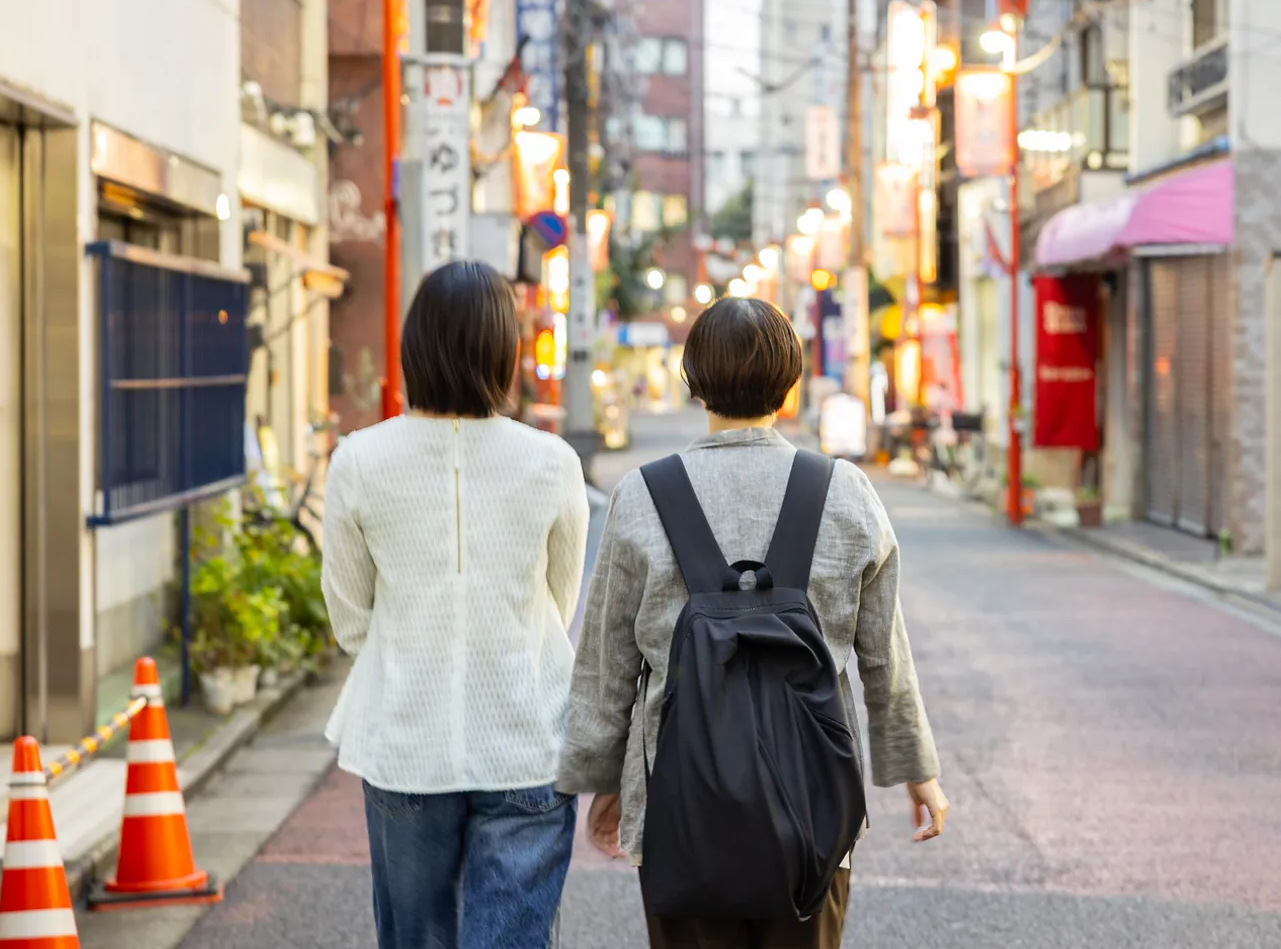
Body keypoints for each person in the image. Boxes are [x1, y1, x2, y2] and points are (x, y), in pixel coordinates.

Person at [558, 297, 948, 949]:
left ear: (693, 381)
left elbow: (606, 664)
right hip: (815, 808)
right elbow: (884, 654)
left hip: (677, 809)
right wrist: (917, 771)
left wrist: (599, 783)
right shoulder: (843, 490)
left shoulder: (644, 496)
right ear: (789, 382)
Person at [321, 261, 590, 949]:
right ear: (505, 350)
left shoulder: (357, 459)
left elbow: (350, 617)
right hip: (527, 735)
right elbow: (558, 604)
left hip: (404, 739)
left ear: (416, 347)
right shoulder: (551, 461)